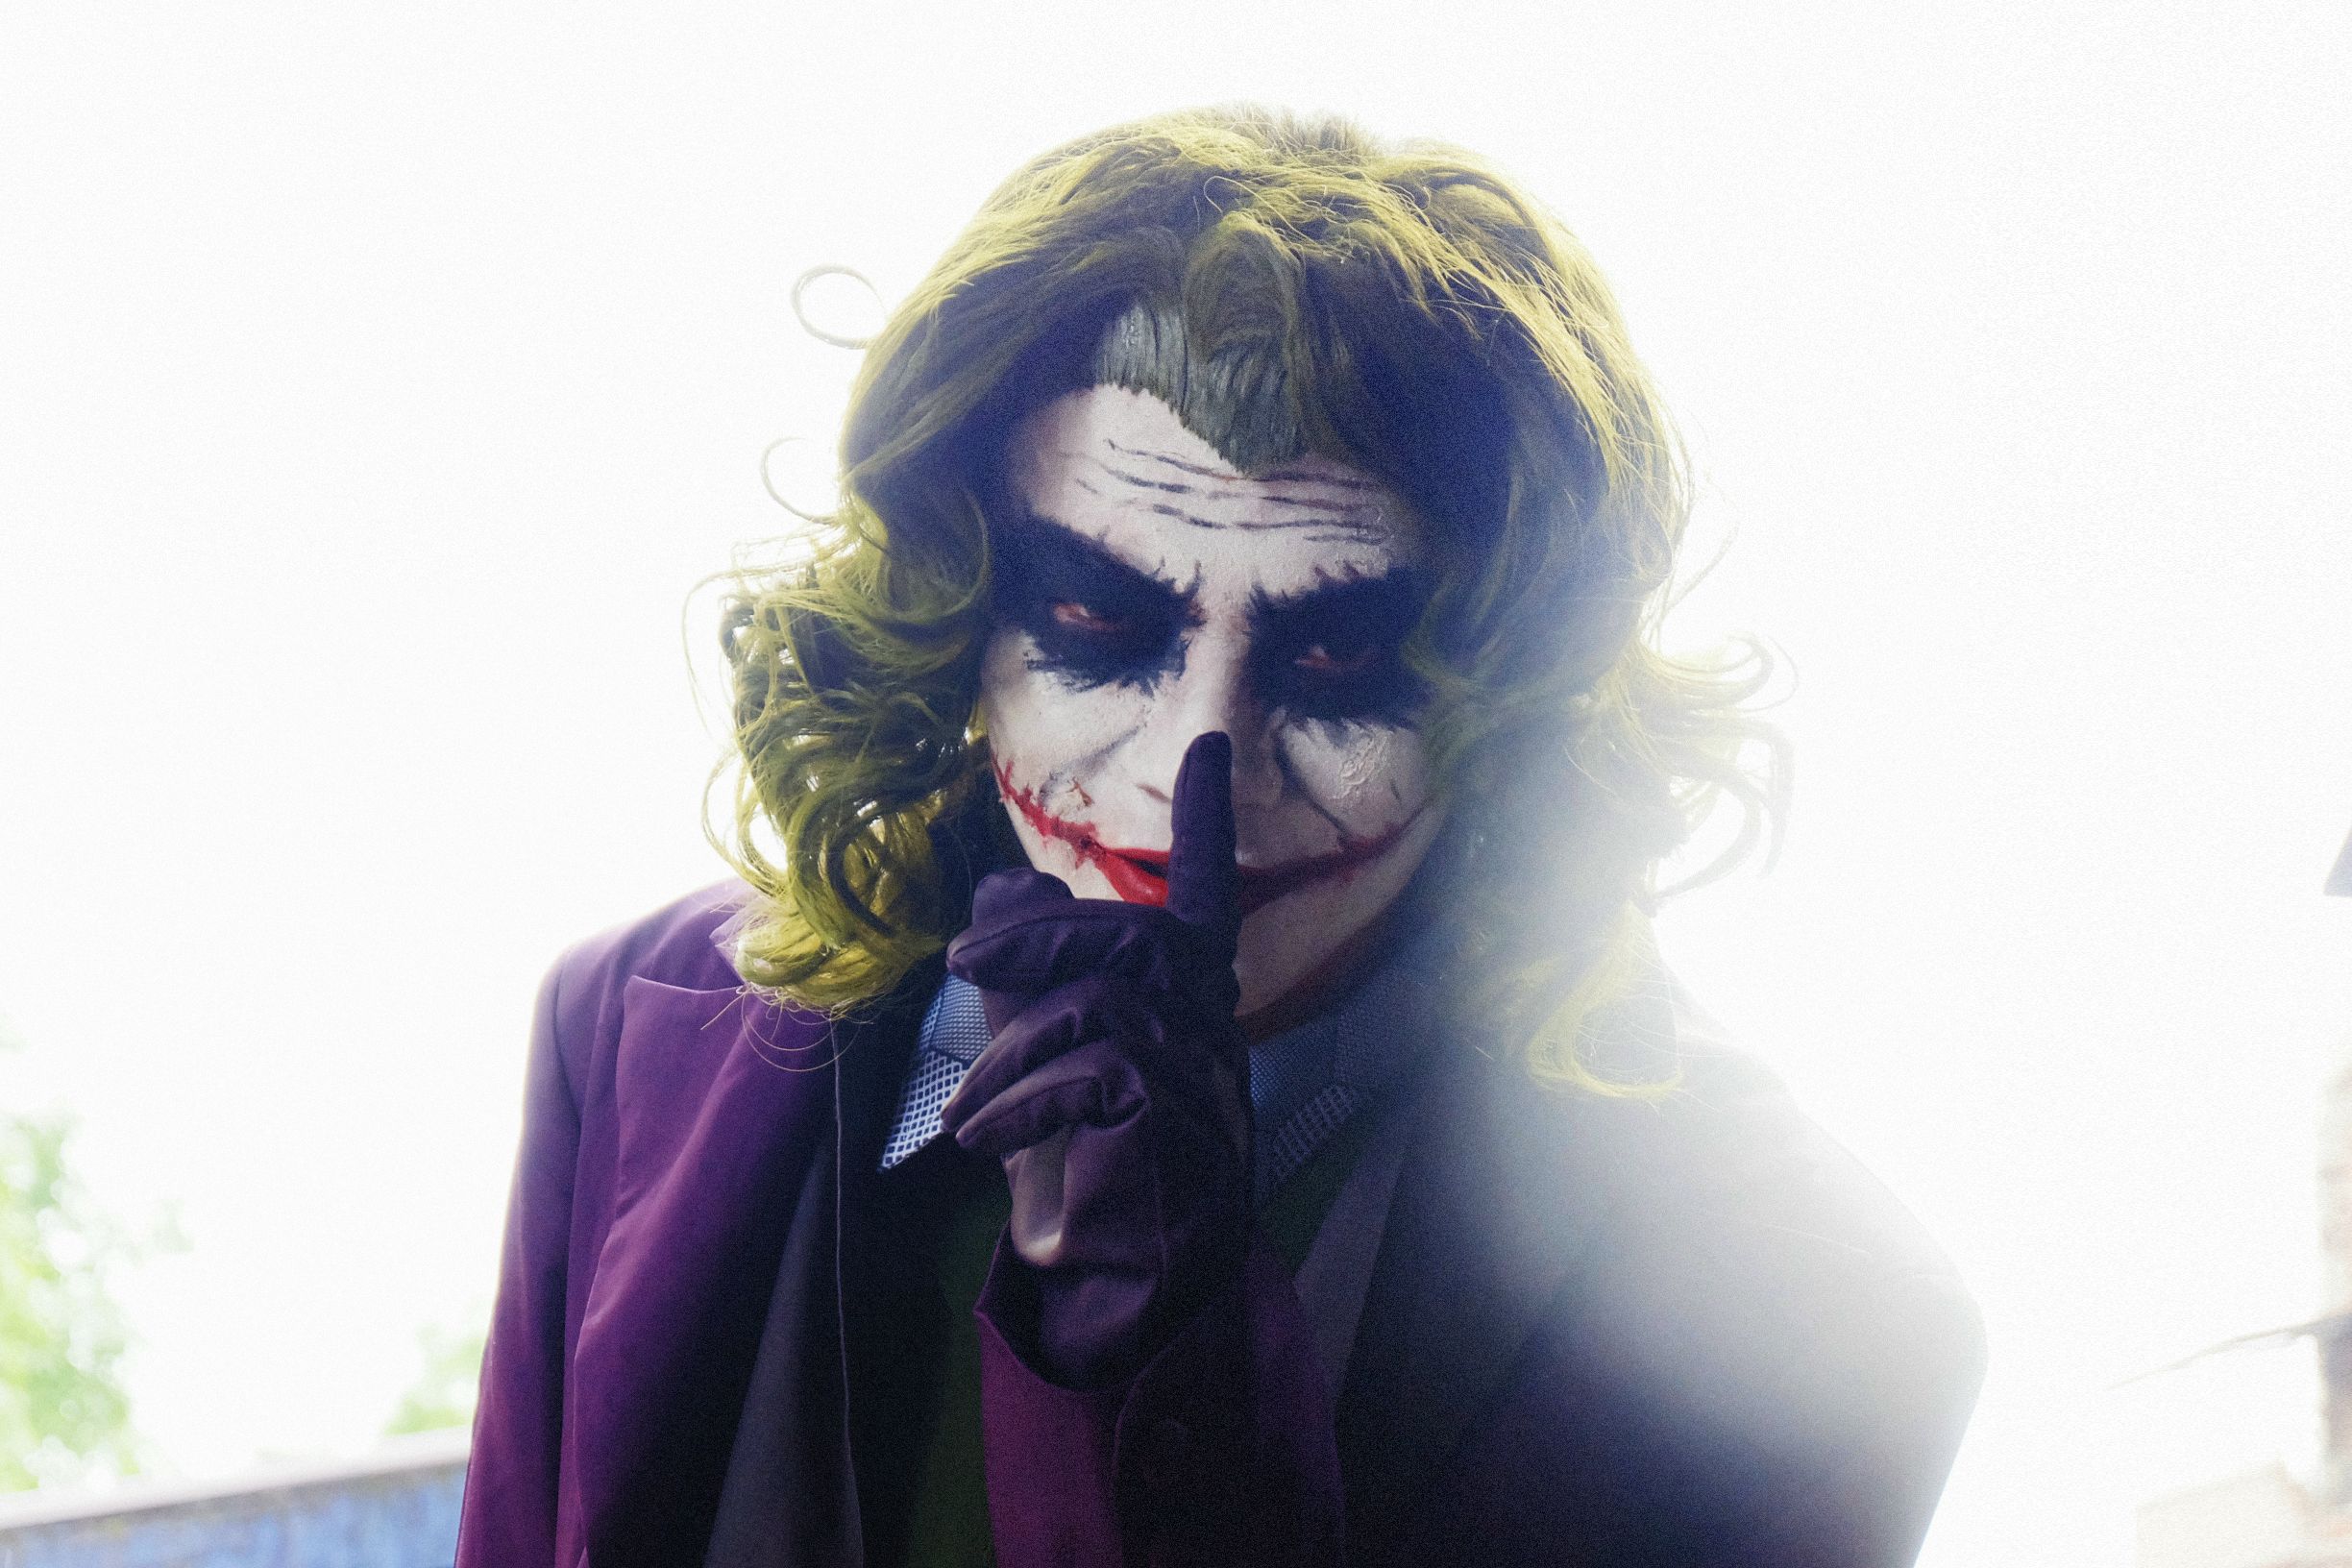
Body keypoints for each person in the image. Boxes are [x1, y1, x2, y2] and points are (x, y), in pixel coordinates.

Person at [455, 107, 1985, 1567]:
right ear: (956, 607)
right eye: (1095, 620)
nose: (1196, 774)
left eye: (1340, 660)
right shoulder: (640, 1028)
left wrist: (1159, 1360)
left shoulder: (1815, 1308)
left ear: (1515, 699)